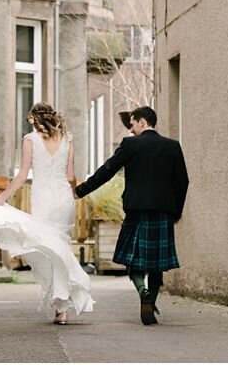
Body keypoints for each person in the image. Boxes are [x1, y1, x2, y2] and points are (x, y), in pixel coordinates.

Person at [0, 103, 93, 324]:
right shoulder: (67, 139)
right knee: (60, 246)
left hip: (43, 198)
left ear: (34, 119)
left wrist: (3, 196)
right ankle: (62, 305)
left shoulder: (30, 140)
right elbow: (70, 175)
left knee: (51, 249)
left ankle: (61, 303)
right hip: (63, 199)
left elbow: (22, 175)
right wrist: (72, 195)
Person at [74, 105, 188, 326]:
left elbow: (107, 170)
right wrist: (177, 211)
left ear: (142, 122)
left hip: (136, 211)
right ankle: (151, 301)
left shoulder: (131, 145)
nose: (131, 129)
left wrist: (81, 190)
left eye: (132, 124)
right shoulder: (172, 146)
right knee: (157, 264)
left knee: (133, 261)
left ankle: (143, 291)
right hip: (163, 212)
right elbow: (182, 181)